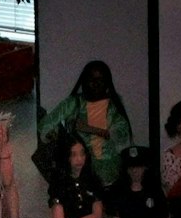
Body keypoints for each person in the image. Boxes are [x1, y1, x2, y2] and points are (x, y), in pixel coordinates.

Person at [41, 59, 132, 187]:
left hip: (110, 172)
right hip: (80, 170)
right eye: (91, 80)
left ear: (107, 83)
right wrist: (53, 134)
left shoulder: (113, 105)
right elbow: (46, 124)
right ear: (84, 81)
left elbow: (123, 135)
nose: (96, 84)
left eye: (100, 80)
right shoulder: (73, 103)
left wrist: (94, 130)